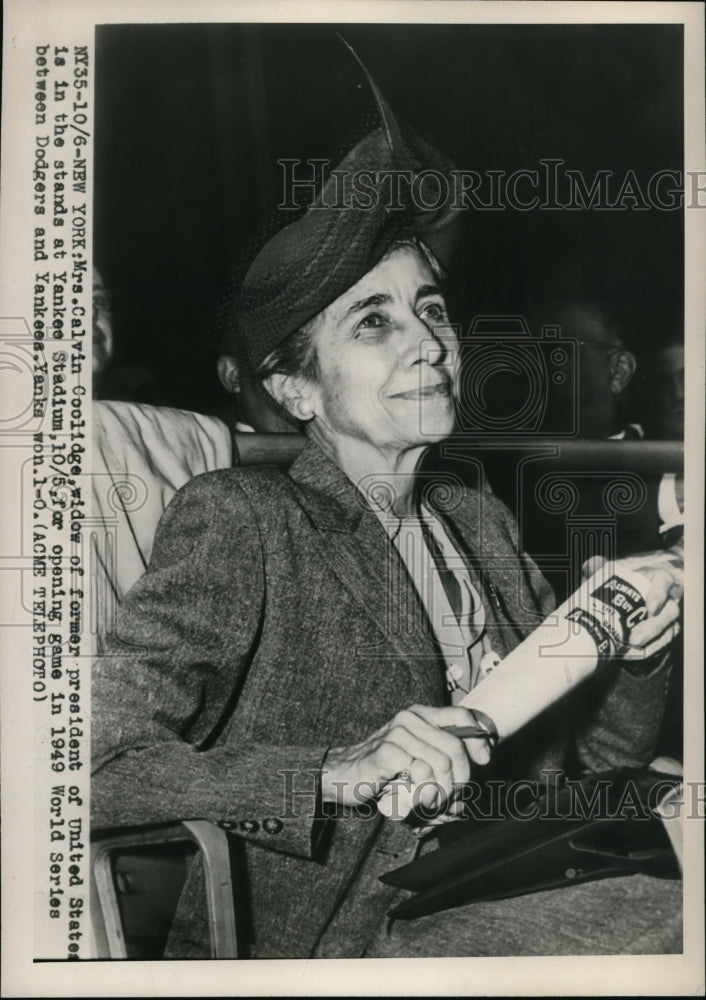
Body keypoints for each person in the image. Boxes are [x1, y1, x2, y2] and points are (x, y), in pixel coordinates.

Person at [91, 72, 683, 960]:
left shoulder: (476, 520)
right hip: (363, 923)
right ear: (296, 389)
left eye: (431, 310)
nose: (429, 344)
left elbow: (592, 767)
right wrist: (335, 770)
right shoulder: (244, 520)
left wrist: (637, 652)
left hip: (523, 866)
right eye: (374, 323)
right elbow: (89, 763)